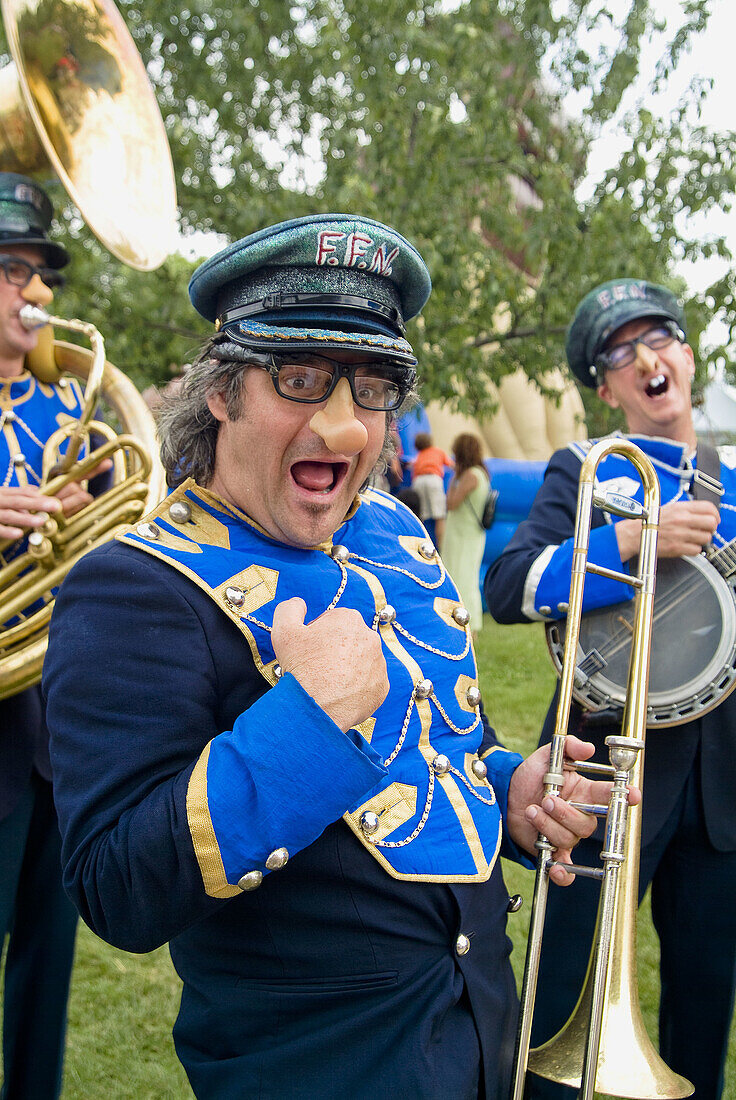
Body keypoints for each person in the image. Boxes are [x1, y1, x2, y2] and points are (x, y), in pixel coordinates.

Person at [44, 216, 634, 1100]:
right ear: (220, 391)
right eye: (300, 378)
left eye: (373, 387)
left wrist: (508, 787)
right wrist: (311, 721)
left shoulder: (394, 530)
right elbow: (117, 887)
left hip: (482, 1029)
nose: (346, 428)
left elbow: (441, 746)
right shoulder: (131, 587)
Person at [485, 278, 736, 1099]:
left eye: (658, 337)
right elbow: (507, 584)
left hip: (725, 778)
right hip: (606, 766)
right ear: (605, 387)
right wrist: (632, 537)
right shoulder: (585, 469)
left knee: (706, 998)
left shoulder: (730, 480)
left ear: (687, 355)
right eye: (620, 354)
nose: (646, 360)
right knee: (562, 989)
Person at [0, 173, 107, 1099]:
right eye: (12, 270)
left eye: (40, 273)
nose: (35, 293)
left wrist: (87, 506)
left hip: (54, 712)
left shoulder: (64, 409)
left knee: (46, 952)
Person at [442, 432, 491, 638]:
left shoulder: (471, 475)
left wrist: (454, 477)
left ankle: (468, 625)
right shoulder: (481, 473)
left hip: (463, 535)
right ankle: (465, 624)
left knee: (462, 579)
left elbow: (451, 503)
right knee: (465, 577)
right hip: (467, 534)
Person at [410, 430, 453, 546]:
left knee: (421, 515)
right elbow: (451, 464)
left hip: (418, 481)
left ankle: (420, 545)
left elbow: (412, 469)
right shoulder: (438, 451)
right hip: (433, 479)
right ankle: (441, 546)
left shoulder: (418, 456)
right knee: (440, 515)